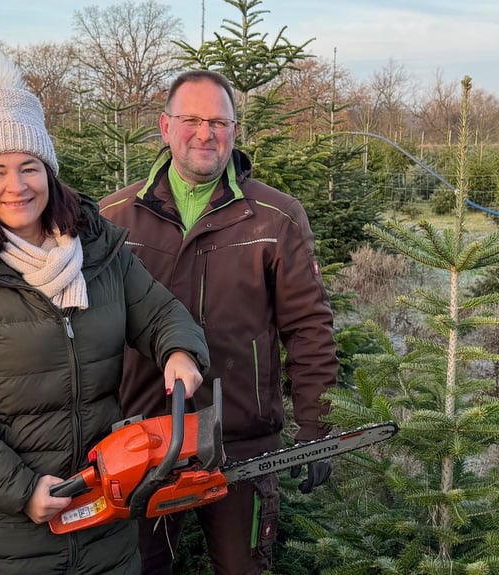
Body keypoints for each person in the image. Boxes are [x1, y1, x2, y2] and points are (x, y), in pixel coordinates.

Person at [0, 49, 210, 574]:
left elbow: (161, 313)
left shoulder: (101, 255)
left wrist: (179, 350)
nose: (16, 186)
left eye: (29, 167)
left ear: (49, 170)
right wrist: (20, 490)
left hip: (101, 524)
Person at [99, 70, 339, 574]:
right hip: (146, 440)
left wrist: (315, 426)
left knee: (242, 565)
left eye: (218, 121)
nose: (205, 133)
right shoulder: (115, 219)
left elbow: (309, 327)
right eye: (191, 119)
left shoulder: (275, 218)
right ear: (165, 127)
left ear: (234, 131)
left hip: (241, 439)